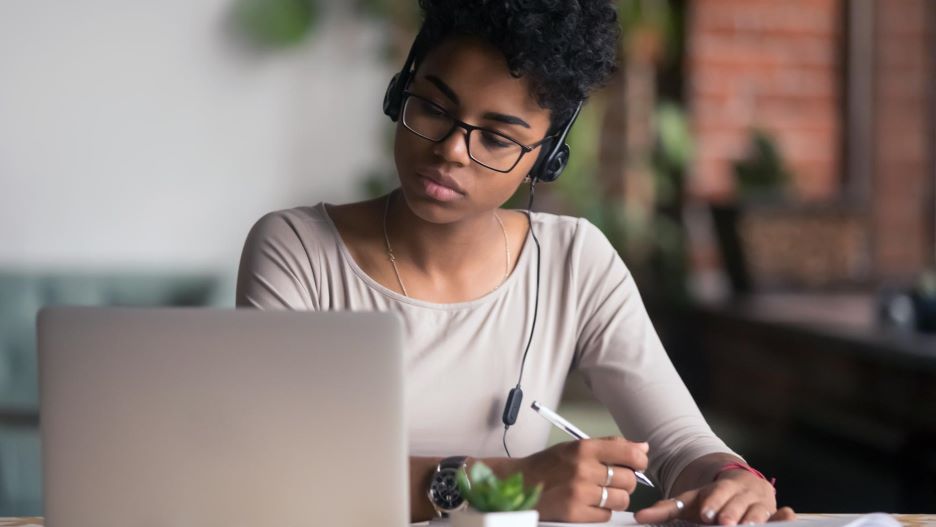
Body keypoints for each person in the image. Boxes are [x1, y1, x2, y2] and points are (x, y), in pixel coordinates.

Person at [236, 0, 796, 524]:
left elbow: (679, 445)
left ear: (546, 158)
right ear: (398, 93)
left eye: (499, 138)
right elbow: (277, 472)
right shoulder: (297, 249)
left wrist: (732, 481)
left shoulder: (576, 260)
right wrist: (507, 481)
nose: (452, 150)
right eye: (433, 108)